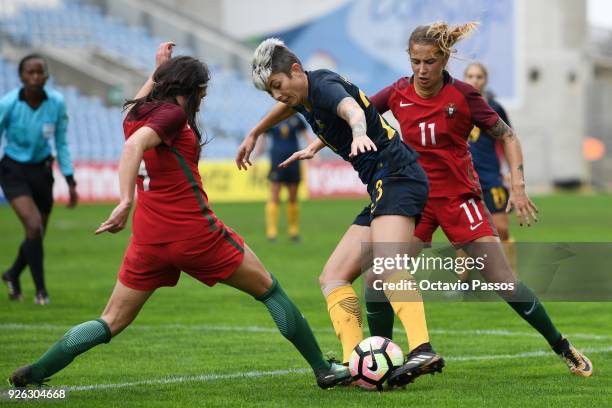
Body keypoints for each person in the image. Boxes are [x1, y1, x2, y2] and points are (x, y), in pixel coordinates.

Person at [8, 43, 349, 389]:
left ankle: (36, 372)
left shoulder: (138, 114)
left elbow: (134, 126)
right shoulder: (171, 116)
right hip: (194, 232)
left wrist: (158, 69)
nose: (202, 100)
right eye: (201, 93)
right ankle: (323, 369)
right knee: (271, 292)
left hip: (149, 239)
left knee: (110, 320)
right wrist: (124, 200)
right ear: (193, 91)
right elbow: (132, 148)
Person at [367, 22, 592, 377]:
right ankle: (380, 366)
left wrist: (517, 185)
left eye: (429, 62)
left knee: (503, 282)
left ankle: (562, 346)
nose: (422, 70)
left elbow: (509, 136)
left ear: (444, 60)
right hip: (416, 201)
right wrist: (320, 139)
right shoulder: (397, 92)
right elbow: (358, 112)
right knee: (378, 278)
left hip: (460, 200)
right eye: (415, 62)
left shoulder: (464, 96)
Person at [238, 38, 445, 388]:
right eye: (269, 91)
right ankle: (354, 364)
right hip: (383, 185)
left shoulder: (323, 86)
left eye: (277, 86)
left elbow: (350, 108)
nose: (276, 95)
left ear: (295, 70)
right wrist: (255, 132)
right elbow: (290, 108)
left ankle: (422, 348)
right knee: (332, 276)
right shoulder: (302, 95)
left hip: (398, 176)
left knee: (388, 265)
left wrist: (359, 132)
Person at [0, 54, 78, 305]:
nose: (35, 77)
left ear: (46, 76)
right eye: (29, 73)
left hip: (42, 171)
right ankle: (41, 292)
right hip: (13, 169)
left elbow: (62, 142)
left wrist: (70, 179)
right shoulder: (9, 104)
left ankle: (12, 274)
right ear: (21, 76)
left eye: (39, 72)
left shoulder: (56, 102)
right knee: (33, 226)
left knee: (37, 232)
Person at [463, 62, 515, 272]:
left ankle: (511, 276)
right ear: (464, 78)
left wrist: (511, 172)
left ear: (486, 80)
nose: (474, 80)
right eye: (470, 76)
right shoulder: (454, 105)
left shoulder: (495, 107)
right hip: (464, 176)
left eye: (479, 76)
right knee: (465, 231)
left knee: (501, 228)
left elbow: (508, 139)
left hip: (491, 176)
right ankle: (464, 280)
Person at [255, 116, 313, 241]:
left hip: (294, 161)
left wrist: (313, 151)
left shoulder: (296, 118)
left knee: (293, 197)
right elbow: (263, 137)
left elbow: (305, 134)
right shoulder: (271, 115)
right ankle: (272, 232)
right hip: (276, 161)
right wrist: (257, 155)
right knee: (275, 195)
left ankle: (293, 231)